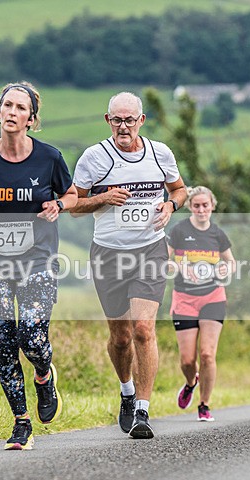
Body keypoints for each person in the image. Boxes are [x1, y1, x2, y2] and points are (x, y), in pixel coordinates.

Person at [0, 81, 78, 450]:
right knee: (4, 343)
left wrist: (60, 205)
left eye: (20, 108)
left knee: (32, 337)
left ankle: (44, 374)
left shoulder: (49, 158)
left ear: (31, 119)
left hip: (37, 262)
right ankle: (21, 423)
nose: (12, 112)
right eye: (7, 106)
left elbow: (70, 194)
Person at [70, 91, 188, 439]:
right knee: (120, 337)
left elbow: (179, 189)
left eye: (129, 119)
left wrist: (170, 206)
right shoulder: (94, 157)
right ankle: (125, 391)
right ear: (108, 121)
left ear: (141, 121)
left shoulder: (160, 153)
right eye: (117, 120)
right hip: (108, 253)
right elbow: (72, 204)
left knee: (142, 329)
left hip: (151, 250)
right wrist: (103, 198)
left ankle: (143, 411)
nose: (124, 126)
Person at [167, 186, 235, 421]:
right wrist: (179, 267)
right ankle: (190, 382)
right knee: (188, 360)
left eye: (205, 205)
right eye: (196, 205)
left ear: (212, 206)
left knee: (207, 354)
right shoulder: (178, 231)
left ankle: (204, 405)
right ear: (190, 207)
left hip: (213, 297)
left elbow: (231, 263)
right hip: (184, 299)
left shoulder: (218, 235)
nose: (201, 209)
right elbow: (163, 263)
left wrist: (226, 268)